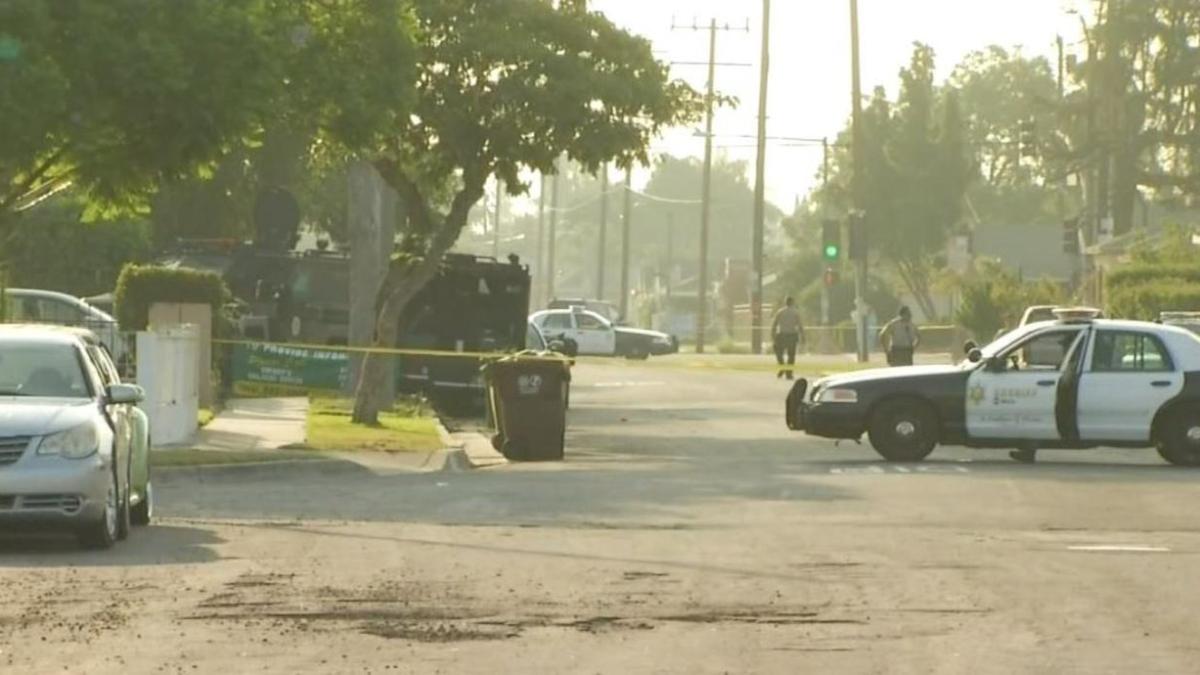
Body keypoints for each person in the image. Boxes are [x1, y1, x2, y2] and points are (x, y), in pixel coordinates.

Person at [771, 296, 804, 380]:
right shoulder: (796, 313)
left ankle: (782, 366)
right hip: (792, 335)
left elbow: (774, 324)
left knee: (778, 352)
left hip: (782, 335)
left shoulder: (780, 312)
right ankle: (789, 373)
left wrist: (773, 335)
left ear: (786, 302)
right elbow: (800, 325)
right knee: (791, 355)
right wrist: (803, 336)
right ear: (792, 302)